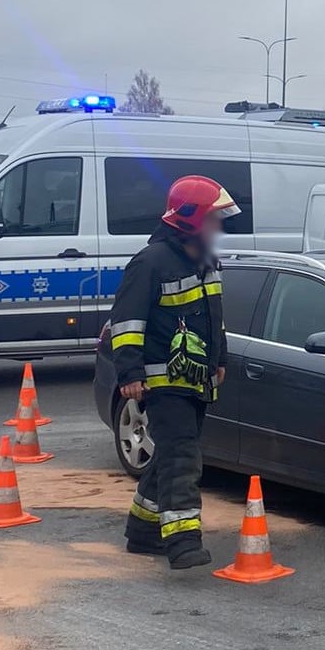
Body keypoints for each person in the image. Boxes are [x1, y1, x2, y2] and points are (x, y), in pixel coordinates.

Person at [110, 176, 235, 570]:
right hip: (163, 382)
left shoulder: (204, 259)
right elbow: (126, 323)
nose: (220, 227)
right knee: (183, 457)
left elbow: (215, 319)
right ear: (191, 218)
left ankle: (144, 531)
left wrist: (221, 359)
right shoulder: (149, 263)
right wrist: (129, 374)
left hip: (196, 379)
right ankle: (182, 542)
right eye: (214, 218)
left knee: (169, 455)